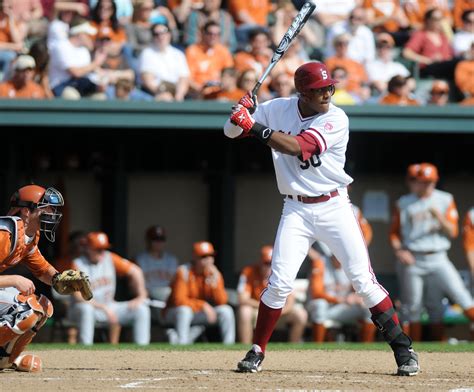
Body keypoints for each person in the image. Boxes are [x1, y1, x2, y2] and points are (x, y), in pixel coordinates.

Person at [224, 61, 419, 376]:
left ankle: (403, 349)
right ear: (302, 91)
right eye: (319, 90)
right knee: (278, 283)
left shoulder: (336, 117)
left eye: (330, 88)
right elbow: (230, 131)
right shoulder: (276, 108)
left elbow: (299, 147)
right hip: (296, 208)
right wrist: (241, 113)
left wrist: (254, 126)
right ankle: (257, 350)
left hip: (334, 206)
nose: (327, 94)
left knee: (363, 281)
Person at [0, 184, 89, 372]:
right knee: (26, 309)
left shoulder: (29, 235)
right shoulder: (5, 233)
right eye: (45, 208)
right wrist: (14, 280)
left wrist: (58, 278)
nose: (51, 213)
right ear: (26, 211)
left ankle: (5, 360)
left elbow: (41, 269)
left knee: (44, 306)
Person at [390, 163, 474, 342]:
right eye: (421, 181)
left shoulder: (445, 199)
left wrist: (440, 217)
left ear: (435, 182)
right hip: (414, 258)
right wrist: (399, 250)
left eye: (429, 182)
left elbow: (453, 232)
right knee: (412, 307)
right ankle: (411, 349)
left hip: (439, 257)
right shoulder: (404, 202)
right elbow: (394, 233)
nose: (426, 185)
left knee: (460, 296)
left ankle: (440, 346)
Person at [69, 231, 151, 345]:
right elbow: (78, 297)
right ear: (87, 248)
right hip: (86, 308)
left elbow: (136, 271)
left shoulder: (110, 257)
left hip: (109, 306)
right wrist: (103, 307)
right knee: (86, 310)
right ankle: (85, 348)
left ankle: (143, 350)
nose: (102, 252)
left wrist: (141, 296)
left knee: (142, 309)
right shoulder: (77, 264)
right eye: (98, 249)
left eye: (103, 249)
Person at [163, 241, 235, 345]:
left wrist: (215, 283)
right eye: (204, 257)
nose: (208, 260)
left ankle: (229, 345)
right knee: (184, 310)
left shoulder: (213, 273)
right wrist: (203, 305)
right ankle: (182, 343)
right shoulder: (184, 271)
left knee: (226, 310)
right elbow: (179, 301)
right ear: (195, 258)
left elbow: (222, 301)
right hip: (173, 312)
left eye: (211, 256)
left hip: (197, 313)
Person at [237, 245, 308, 344]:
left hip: (280, 312)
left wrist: (276, 311)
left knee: (301, 314)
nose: (269, 267)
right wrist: (266, 307)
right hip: (258, 310)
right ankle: (245, 346)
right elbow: (242, 299)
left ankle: (294, 348)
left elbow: (290, 302)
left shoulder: (282, 273)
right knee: (244, 311)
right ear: (260, 262)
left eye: (271, 263)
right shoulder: (249, 272)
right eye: (266, 263)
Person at [307, 245, 376, 343]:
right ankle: (317, 345)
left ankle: (366, 348)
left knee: (368, 308)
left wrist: (356, 296)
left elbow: (359, 288)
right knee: (320, 304)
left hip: (340, 308)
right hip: (321, 308)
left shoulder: (350, 265)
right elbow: (316, 292)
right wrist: (339, 300)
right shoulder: (320, 262)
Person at [48, 20, 108, 98]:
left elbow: (90, 72)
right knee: (72, 96)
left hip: (80, 84)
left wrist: (101, 82)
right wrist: (96, 63)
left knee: (100, 96)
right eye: (88, 35)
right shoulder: (61, 46)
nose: (91, 39)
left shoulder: (84, 51)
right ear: (80, 35)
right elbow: (76, 72)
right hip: (60, 86)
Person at [138, 21, 190, 101]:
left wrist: (179, 94)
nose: (161, 36)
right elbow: (147, 81)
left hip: (176, 94)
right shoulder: (147, 53)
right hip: (154, 95)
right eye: (156, 34)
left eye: (164, 32)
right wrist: (163, 94)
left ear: (169, 34)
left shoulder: (178, 54)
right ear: (153, 36)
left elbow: (184, 78)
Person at [136, 225, 179, 315]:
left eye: (161, 239)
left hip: (169, 296)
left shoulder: (171, 260)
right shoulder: (140, 259)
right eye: (155, 239)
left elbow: (177, 283)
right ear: (148, 241)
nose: (159, 242)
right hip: (151, 296)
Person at [185, 20, 234, 98]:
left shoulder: (224, 51)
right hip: (198, 93)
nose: (213, 37)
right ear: (203, 34)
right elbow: (187, 77)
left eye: (217, 34)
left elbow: (229, 74)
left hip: (218, 93)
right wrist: (200, 89)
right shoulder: (192, 50)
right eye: (210, 33)